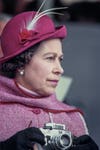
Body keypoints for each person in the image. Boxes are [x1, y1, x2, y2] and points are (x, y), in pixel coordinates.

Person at [0, 2, 99, 150]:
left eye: (60, 59)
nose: (60, 70)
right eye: (50, 58)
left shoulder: (73, 118)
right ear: (21, 62)